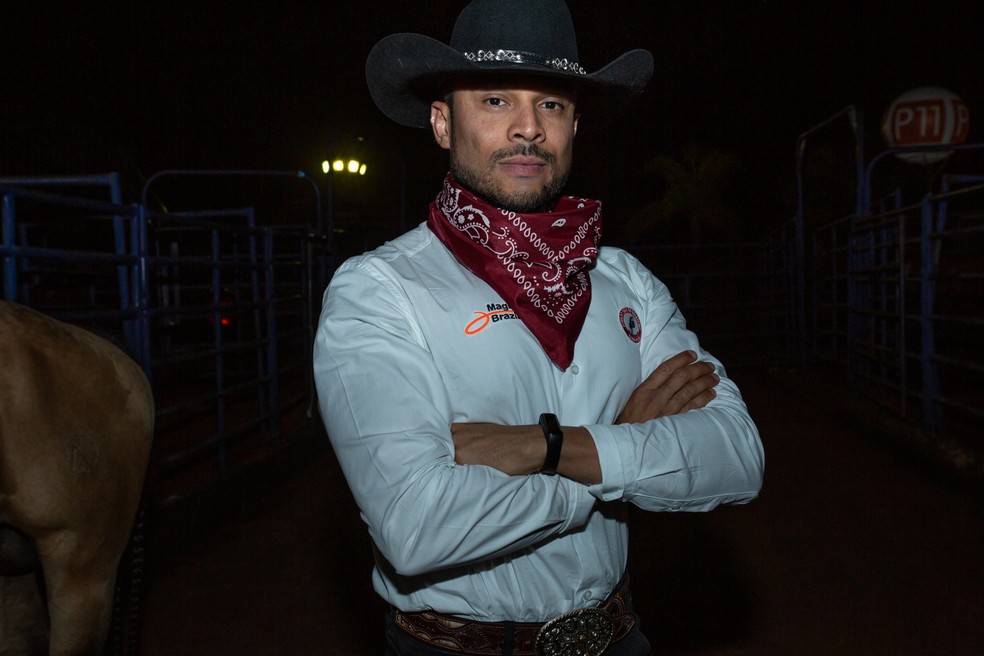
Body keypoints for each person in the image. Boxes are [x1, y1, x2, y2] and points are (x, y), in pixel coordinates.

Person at [313, 1, 764, 654]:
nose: (528, 128)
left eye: (551, 104)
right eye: (496, 100)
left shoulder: (625, 280)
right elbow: (415, 527)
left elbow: (735, 456)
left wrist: (549, 447)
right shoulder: (380, 291)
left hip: (619, 636)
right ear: (442, 122)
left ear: (575, 123)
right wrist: (621, 450)